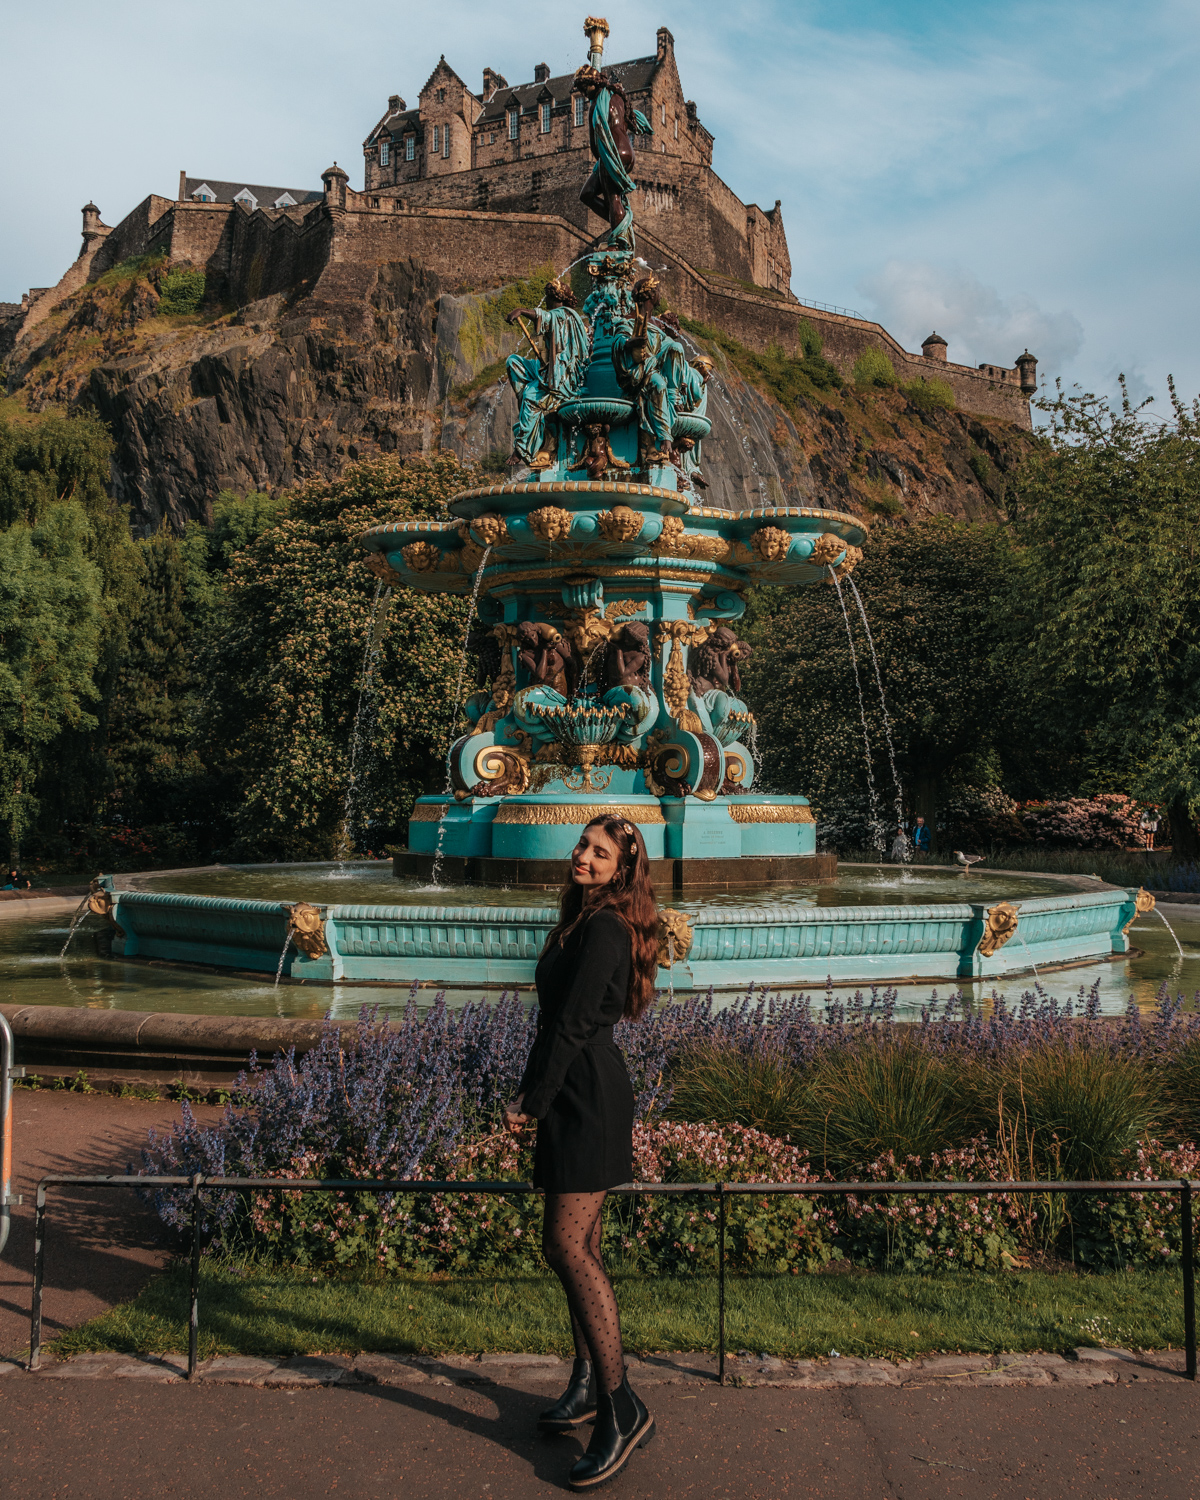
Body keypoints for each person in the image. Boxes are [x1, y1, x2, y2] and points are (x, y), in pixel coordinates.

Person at [505, 815, 660, 1490]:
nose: (583, 857)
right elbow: (554, 1021)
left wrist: (531, 1101)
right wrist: (533, 1090)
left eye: (600, 853)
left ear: (622, 869)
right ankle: (589, 1385)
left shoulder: (602, 929)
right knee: (581, 1249)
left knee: (564, 1248)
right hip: (572, 1090)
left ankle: (621, 1406)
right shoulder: (581, 920)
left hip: (586, 1095)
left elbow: (571, 1025)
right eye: (583, 846)